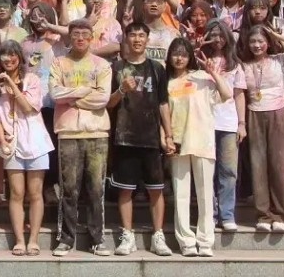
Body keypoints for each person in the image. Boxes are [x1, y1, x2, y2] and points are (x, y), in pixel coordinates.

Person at [106, 22, 174, 256]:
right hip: (124, 137)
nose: (137, 39)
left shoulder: (157, 69)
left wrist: (168, 134)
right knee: (125, 190)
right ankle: (127, 235)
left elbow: (163, 103)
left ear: (147, 39)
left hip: (151, 137)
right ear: (126, 38)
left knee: (156, 189)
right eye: (133, 35)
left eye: (141, 35)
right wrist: (122, 90)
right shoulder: (116, 68)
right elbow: (109, 104)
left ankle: (158, 236)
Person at [49, 19, 112, 257]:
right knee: (69, 189)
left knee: (96, 189)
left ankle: (97, 239)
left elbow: (103, 98)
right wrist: (86, 90)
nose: (80, 38)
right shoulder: (59, 62)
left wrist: (72, 99)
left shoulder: (102, 65)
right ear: (70, 36)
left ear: (91, 37)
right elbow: (55, 94)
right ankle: (66, 238)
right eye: (76, 34)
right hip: (67, 132)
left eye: (85, 34)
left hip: (96, 132)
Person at [165, 38, 233, 257]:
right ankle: (186, 241)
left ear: (190, 57)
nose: (179, 58)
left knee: (205, 194)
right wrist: (165, 138)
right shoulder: (166, 82)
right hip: (178, 142)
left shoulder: (202, 77)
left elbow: (227, 95)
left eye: (184, 54)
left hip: (203, 140)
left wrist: (214, 73)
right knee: (181, 195)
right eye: (175, 53)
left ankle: (205, 241)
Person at [241, 25, 284, 233]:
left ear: (268, 43)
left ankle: (279, 214)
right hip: (254, 114)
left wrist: (280, 36)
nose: (257, 45)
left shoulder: (279, 60)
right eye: (253, 41)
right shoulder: (244, 65)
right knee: (258, 165)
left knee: (279, 164)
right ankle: (263, 215)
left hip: (278, 114)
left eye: (261, 41)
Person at [0, 42, 53, 257]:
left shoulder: (32, 79)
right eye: (3, 55)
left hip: (36, 142)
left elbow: (28, 107)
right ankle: (19, 240)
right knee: (16, 193)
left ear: (19, 57)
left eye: (12, 55)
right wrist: (2, 139)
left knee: (35, 192)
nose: (8, 59)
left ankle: (33, 240)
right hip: (12, 143)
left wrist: (11, 84)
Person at [200, 19, 247, 232]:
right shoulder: (200, 59)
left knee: (228, 170)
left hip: (228, 122)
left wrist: (241, 123)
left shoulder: (235, 64)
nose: (217, 39)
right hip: (204, 121)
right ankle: (209, 214)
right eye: (213, 34)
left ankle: (227, 214)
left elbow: (239, 95)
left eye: (221, 34)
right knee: (206, 171)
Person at [140, 0, 180, 64]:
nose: (154, 5)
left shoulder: (173, 34)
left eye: (159, 2)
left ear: (165, 6)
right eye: (150, 1)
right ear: (142, 5)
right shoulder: (135, 32)